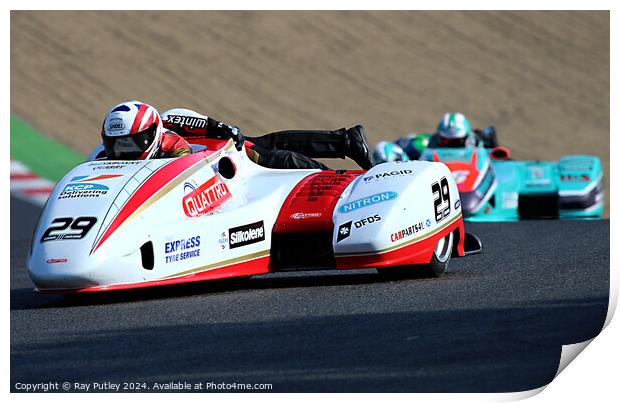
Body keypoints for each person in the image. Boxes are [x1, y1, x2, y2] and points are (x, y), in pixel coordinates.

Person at [99, 101, 373, 170]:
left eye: (133, 142)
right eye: (117, 144)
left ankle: (331, 177)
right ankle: (345, 140)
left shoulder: (172, 136)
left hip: (212, 156)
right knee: (269, 141)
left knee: (260, 153)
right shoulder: (100, 157)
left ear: (153, 132)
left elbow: (201, 127)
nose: (125, 150)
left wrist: (223, 130)